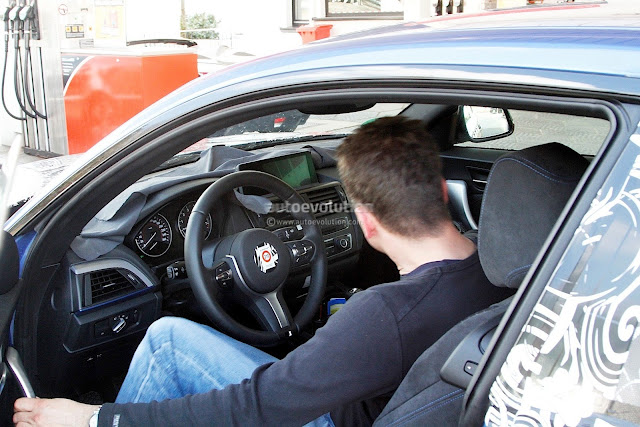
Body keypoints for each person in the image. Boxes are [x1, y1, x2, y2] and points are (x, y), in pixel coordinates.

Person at [14, 116, 512, 427]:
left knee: (166, 339)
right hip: (380, 400)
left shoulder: (385, 314)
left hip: (332, 418)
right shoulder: (500, 271)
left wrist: (93, 417)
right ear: (443, 193)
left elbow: (255, 408)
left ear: (365, 221)